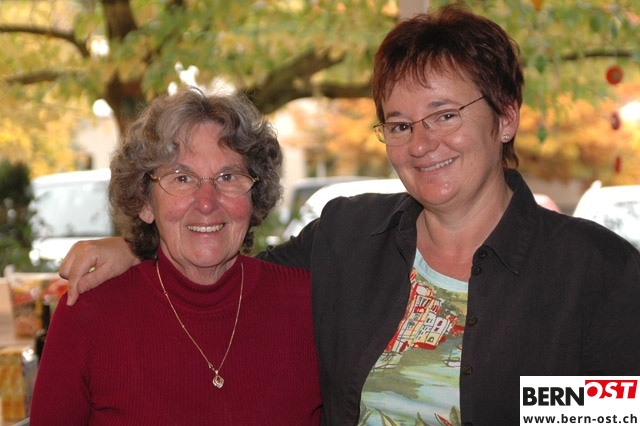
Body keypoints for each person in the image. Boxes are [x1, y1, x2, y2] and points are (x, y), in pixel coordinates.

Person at [57, 5, 640, 426]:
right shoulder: (347, 238)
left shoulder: (598, 274)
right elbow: (222, 262)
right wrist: (134, 245)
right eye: (400, 124)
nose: (422, 143)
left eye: (444, 115)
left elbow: (611, 413)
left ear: (506, 117)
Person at [30, 86, 322, 425]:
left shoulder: (311, 307)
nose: (207, 202)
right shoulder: (87, 317)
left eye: (227, 176)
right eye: (182, 178)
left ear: (254, 195)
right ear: (145, 202)